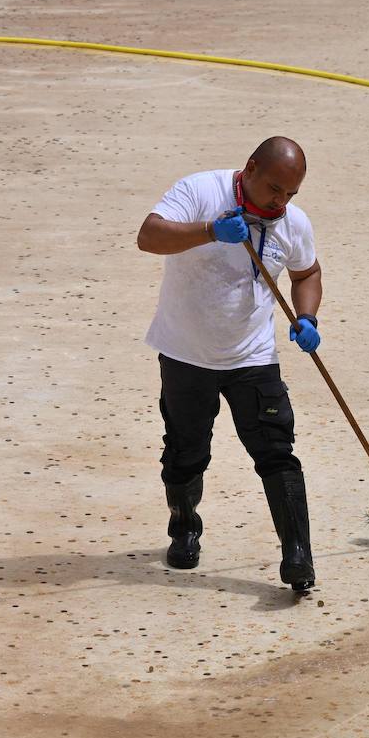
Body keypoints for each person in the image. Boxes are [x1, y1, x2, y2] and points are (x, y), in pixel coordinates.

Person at [137, 137, 323, 592]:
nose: (280, 202)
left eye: (291, 195)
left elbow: (307, 274)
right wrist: (209, 232)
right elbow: (148, 237)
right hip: (186, 354)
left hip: (253, 358)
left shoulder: (292, 224)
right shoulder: (200, 191)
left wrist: (307, 316)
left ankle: (298, 558)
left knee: (277, 452)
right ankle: (184, 527)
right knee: (185, 454)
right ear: (250, 168)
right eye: (274, 189)